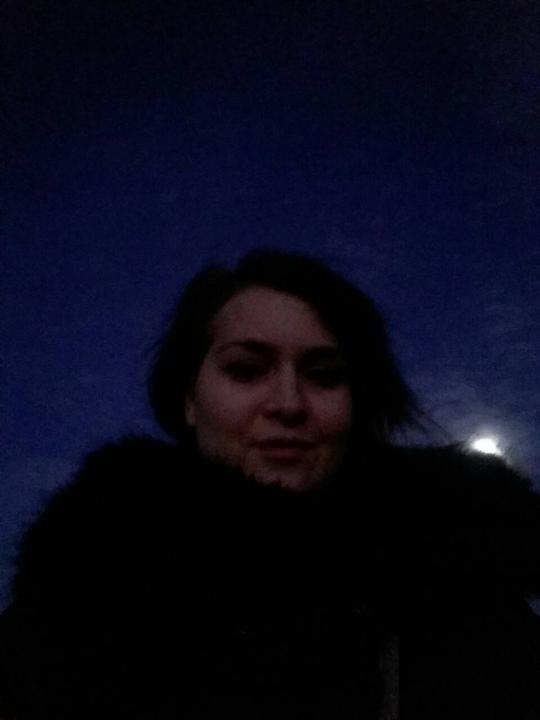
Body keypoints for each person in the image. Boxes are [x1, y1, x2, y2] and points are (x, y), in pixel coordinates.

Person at [1, 248, 539, 719]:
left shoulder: (461, 587)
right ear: (189, 399)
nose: (287, 403)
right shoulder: (81, 593)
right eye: (246, 369)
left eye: (324, 375)